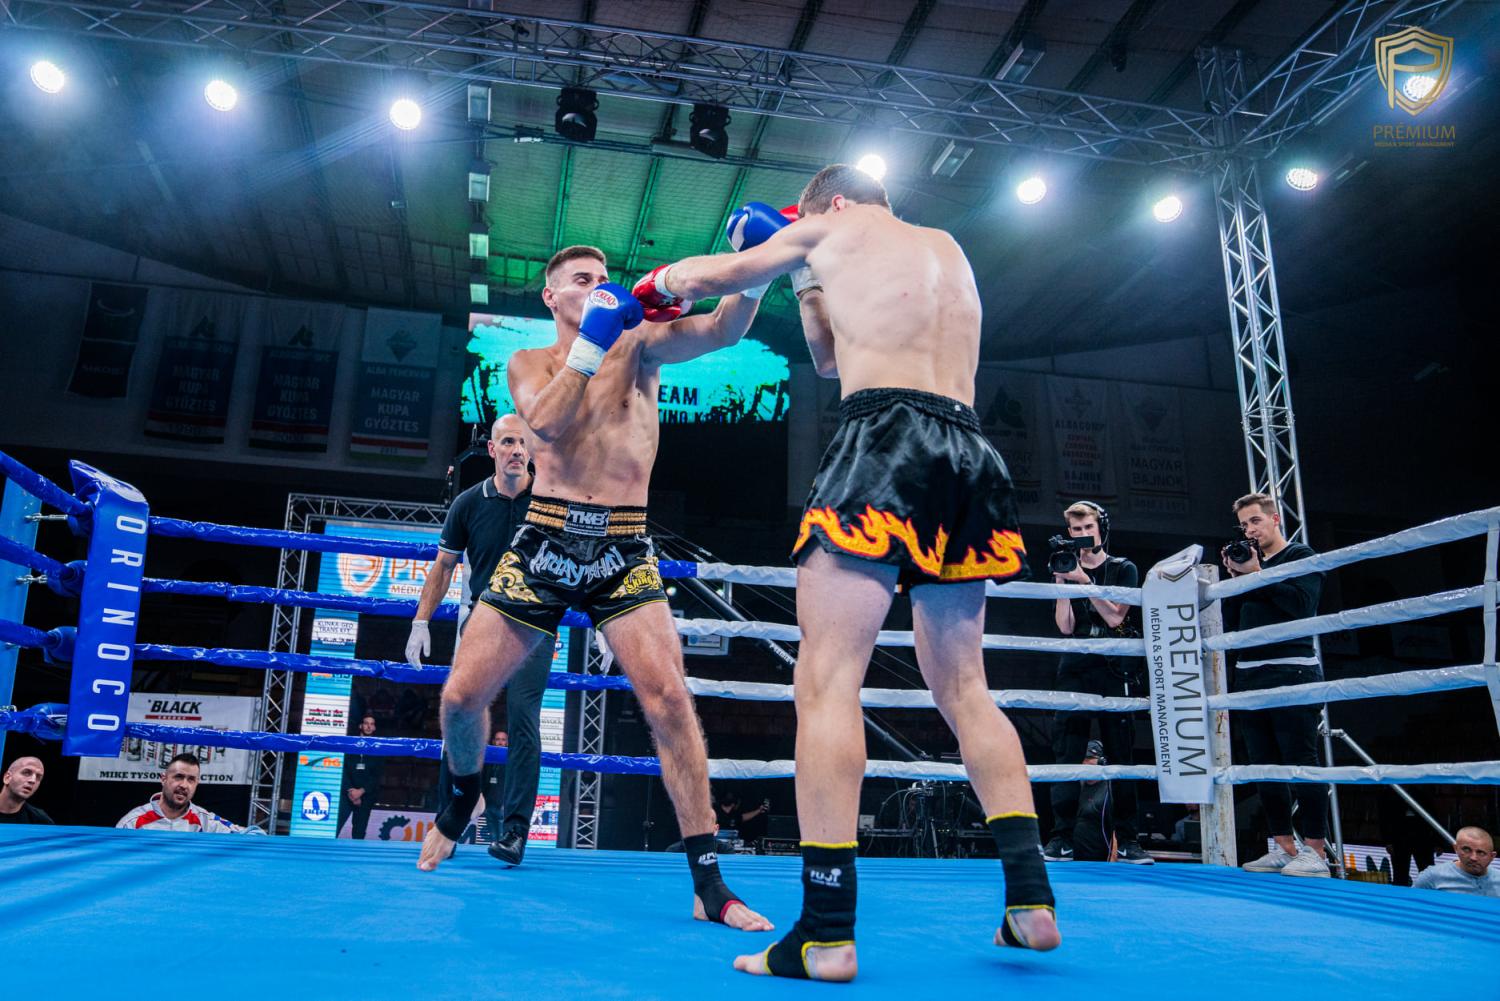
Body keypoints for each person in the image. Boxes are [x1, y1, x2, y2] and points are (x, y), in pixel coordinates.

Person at [640, 165, 1059, 980]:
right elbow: (830, 358)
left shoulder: (832, 225)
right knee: (966, 686)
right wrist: (805, 280)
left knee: (827, 680)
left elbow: (711, 278)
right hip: (968, 451)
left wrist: (658, 284)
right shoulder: (945, 247)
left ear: (831, 202)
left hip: (885, 439)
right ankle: (1030, 900)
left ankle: (826, 931)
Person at [415, 244, 771, 935]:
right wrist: (592, 342)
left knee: (671, 701)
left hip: (623, 544)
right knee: (460, 698)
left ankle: (708, 882)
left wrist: (756, 270)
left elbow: (723, 329)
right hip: (545, 539)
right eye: (584, 280)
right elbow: (544, 424)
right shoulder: (528, 363)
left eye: (605, 280)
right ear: (552, 297)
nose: (601, 288)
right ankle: (462, 796)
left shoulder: (641, 346)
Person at [410, 413, 551, 865]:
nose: (516, 450)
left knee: (525, 721)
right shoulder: (469, 503)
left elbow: (583, 561)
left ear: (531, 450)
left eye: (522, 443)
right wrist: (420, 621)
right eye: (507, 442)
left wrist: (603, 623)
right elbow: (443, 566)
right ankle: (449, 821)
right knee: (461, 713)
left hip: (535, 622)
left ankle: (515, 833)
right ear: (492, 449)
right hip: (483, 620)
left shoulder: (551, 503)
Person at [1222, 492, 1329, 878]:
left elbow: (1301, 607)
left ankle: (1315, 851)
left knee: (1301, 760)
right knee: (1263, 765)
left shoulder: (1300, 555)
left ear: (1275, 519)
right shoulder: (1250, 564)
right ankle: (1283, 846)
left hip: (1291, 671)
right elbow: (1233, 622)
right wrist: (1237, 580)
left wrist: (1256, 574)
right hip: (1249, 674)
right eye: (1244, 525)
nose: (1250, 530)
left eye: (1255, 521)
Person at [1042, 501, 1151, 865]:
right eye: (1076, 530)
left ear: (1101, 527)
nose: (1083, 534)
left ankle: (1130, 840)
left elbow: (1116, 618)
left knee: (1121, 753)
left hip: (1114, 664)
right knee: (1067, 752)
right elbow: (1065, 627)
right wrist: (1062, 580)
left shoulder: (1123, 568)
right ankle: (1061, 838)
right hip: (1076, 662)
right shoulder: (1065, 566)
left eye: (1088, 527)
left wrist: (1085, 582)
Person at [117, 752, 255, 833]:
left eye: (191, 780)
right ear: (163, 779)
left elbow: (254, 835)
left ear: (196, 783)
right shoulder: (132, 822)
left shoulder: (205, 821)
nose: (184, 785)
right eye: (178, 777)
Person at [1411, 826, 1500, 897]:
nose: (1473, 858)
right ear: (1456, 849)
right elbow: (1412, 906)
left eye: (1481, 852)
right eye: (1466, 850)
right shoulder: (1432, 876)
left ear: (1492, 856)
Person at [339, 715, 385, 840]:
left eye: (372, 724)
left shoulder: (379, 749)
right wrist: (351, 791)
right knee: (335, 827)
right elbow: (343, 769)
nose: (369, 726)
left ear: (374, 728)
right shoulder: (350, 745)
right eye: (366, 723)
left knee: (359, 832)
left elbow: (377, 775)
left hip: (366, 796)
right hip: (346, 793)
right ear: (360, 726)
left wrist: (361, 791)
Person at [1070, 741, 1113, 862]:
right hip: (1074, 861)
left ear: (1102, 762)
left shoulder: (1109, 790)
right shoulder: (1076, 786)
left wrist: (1113, 861)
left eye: (1089, 760)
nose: (1085, 764)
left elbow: (1117, 832)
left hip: (1099, 862)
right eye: (1083, 760)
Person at [0, 755, 53, 824]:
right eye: (26, 773)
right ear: (7, 778)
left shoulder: (41, 821)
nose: (33, 780)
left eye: (38, 777)